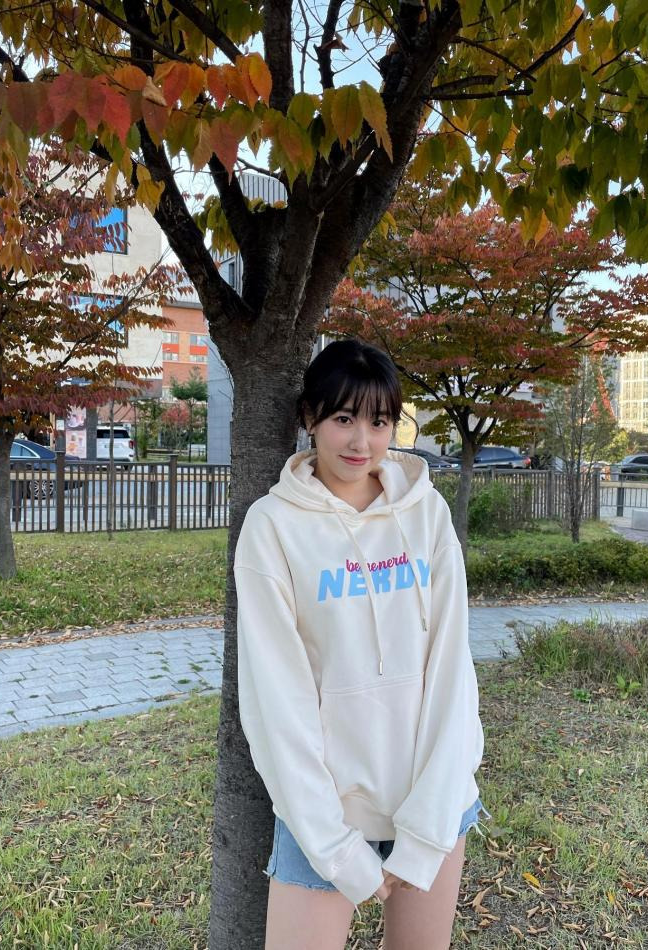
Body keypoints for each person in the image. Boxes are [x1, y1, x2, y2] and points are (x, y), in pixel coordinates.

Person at [234, 338, 488, 950]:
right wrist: (336, 848)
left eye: (379, 422)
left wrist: (426, 831)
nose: (361, 441)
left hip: (433, 804)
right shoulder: (272, 527)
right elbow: (276, 701)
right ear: (310, 417)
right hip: (323, 817)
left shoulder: (426, 514)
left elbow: (452, 672)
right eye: (344, 418)